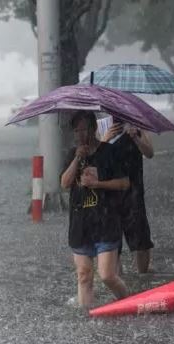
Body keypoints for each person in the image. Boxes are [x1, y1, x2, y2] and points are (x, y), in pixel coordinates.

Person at [61, 111, 130, 308]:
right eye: (76, 131)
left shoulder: (110, 151)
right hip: (81, 224)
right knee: (84, 276)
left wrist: (98, 184)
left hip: (106, 221)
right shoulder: (72, 154)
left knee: (107, 275)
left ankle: (129, 304)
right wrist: (76, 159)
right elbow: (65, 183)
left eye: (84, 129)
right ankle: (87, 322)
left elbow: (124, 183)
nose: (80, 134)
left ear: (94, 128)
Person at [102, 118, 154, 273]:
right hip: (110, 193)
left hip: (134, 192)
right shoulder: (102, 126)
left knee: (141, 239)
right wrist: (105, 139)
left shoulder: (139, 125)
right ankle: (119, 280)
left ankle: (142, 279)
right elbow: (96, 159)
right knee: (113, 243)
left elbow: (150, 153)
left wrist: (135, 137)